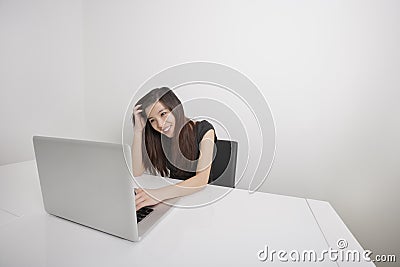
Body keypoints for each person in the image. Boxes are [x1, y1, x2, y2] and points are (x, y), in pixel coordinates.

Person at [132, 87, 216, 210]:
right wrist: (138, 131)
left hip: (202, 198)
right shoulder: (158, 138)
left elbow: (201, 179)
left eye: (163, 114)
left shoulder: (204, 130)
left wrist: (158, 194)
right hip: (174, 197)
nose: (160, 124)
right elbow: (137, 171)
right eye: (152, 120)